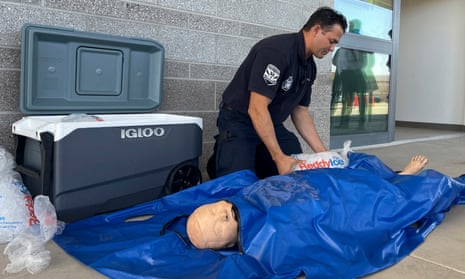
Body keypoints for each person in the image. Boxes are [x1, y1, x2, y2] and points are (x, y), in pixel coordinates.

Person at [207, 7, 348, 179]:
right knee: (238, 181)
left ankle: (252, 158)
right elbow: (257, 108)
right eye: (331, 41)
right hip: (241, 120)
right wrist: (278, 157)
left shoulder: (309, 66)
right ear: (317, 30)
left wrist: (324, 154)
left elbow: (300, 111)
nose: (333, 48)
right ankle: (224, 158)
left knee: (294, 159)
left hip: (271, 122)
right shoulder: (277, 52)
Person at [189, 154, 430, 249]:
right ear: (226, 245)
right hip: (323, 204)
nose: (219, 214)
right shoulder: (265, 242)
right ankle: (401, 180)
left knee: (348, 179)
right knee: (362, 202)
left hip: (311, 185)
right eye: (218, 225)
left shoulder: (248, 194)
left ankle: (390, 180)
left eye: (212, 210)